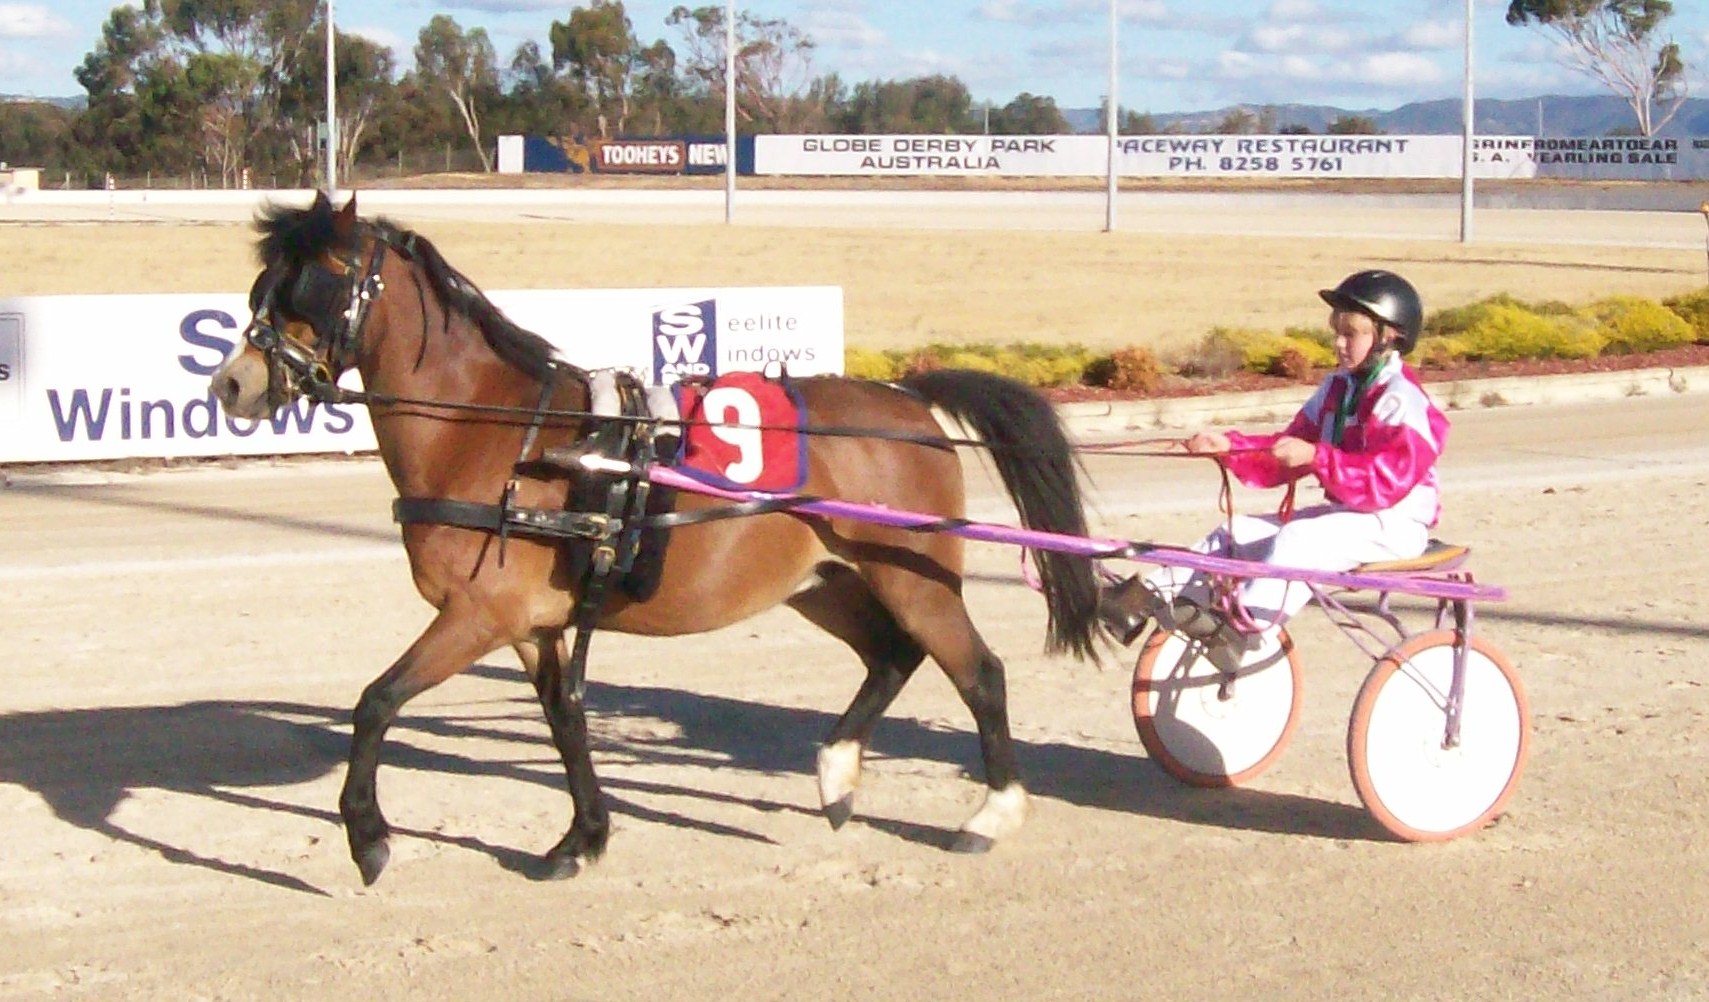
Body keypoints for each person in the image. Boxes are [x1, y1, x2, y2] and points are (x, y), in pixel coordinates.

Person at [1098, 269, 1450, 653]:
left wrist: (1318, 456)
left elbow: (1385, 483)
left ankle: (1242, 631)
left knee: (1297, 538)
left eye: (1351, 333)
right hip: (1350, 518)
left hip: (1394, 526)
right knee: (1234, 532)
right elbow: (1287, 448)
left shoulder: (1402, 399)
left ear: (1389, 337)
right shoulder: (1338, 388)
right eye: (1336, 331)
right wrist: (1230, 448)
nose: (1338, 343)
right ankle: (1143, 599)